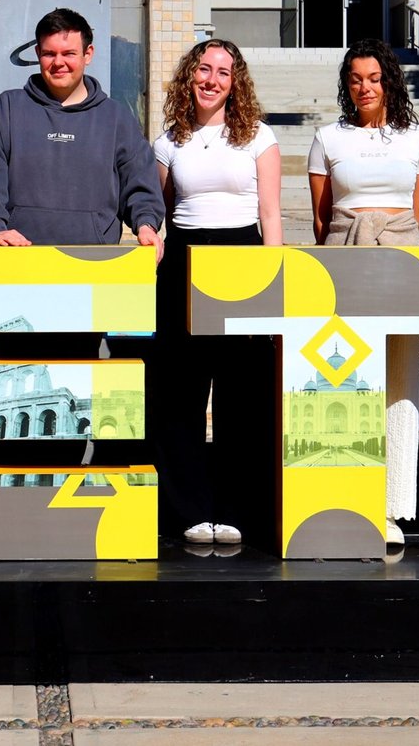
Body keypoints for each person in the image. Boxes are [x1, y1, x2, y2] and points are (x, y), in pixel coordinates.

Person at [152, 39, 282, 549]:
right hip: (184, 265)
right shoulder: (168, 141)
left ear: (235, 82)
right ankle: (187, 509)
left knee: (243, 394)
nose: (211, 79)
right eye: (204, 69)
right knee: (179, 393)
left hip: (244, 263)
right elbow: (162, 212)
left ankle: (236, 511)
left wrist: (272, 282)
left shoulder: (259, 137)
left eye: (223, 72)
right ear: (190, 75)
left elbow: (270, 213)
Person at [307, 38, 419, 549]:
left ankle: (389, 505)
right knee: (342, 377)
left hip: (400, 258)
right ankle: (340, 496)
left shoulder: (418, 138)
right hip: (343, 260)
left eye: (374, 78)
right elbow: (321, 220)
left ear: (390, 82)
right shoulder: (327, 138)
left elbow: (414, 215)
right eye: (356, 79)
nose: (365, 87)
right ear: (347, 84)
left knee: (397, 378)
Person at [0, 8, 164, 256]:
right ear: (38, 54)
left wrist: (146, 224)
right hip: (20, 257)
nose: (58, 62)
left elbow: (139, 181)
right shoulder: (7, 109)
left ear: (88, 54)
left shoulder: (116, 118)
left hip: (95, 260)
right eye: (49, 54)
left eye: (69, 53)